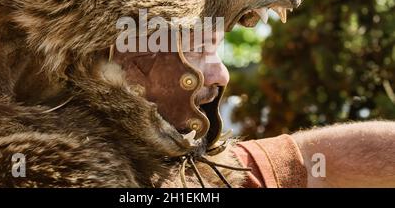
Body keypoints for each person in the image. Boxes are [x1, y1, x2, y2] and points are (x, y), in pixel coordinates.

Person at [111, 29, 395, 188]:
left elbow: (315, 162)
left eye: (214, 51)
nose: (222, 75)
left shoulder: (217, 173)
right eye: (196, 50)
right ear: (125, 65)